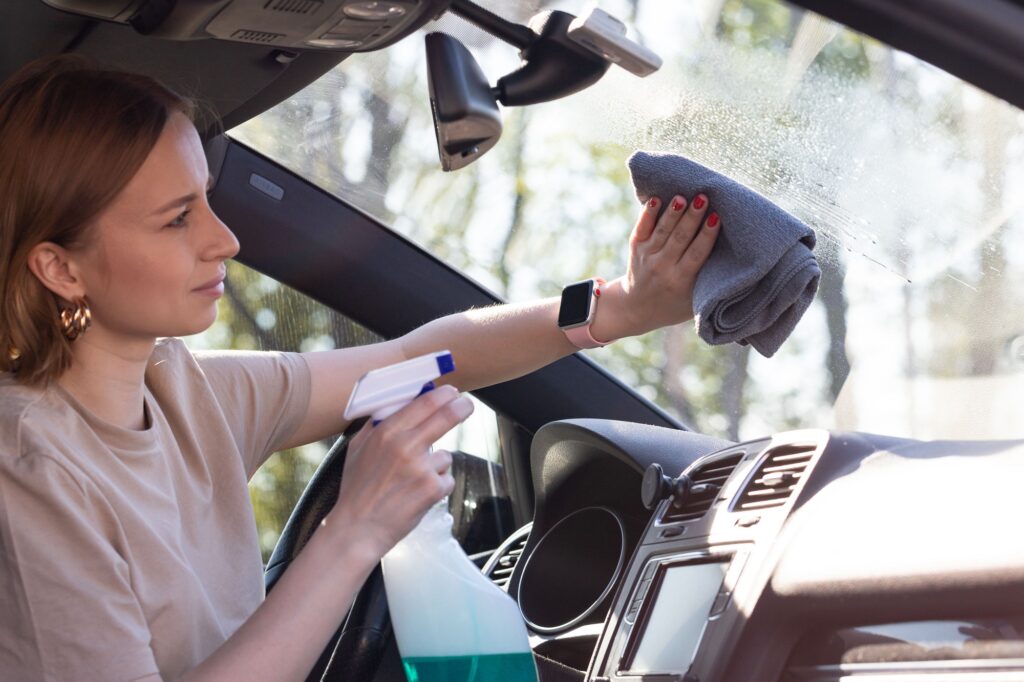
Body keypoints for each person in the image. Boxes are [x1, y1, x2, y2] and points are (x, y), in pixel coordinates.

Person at [0, 54, 721, 681]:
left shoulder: (184, 388)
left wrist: (620, 307)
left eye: (206, 200)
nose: (225, 238)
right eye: (177, 217)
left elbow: (422, 359)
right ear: (59, 267)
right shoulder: (29, 469)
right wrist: (355, 530)